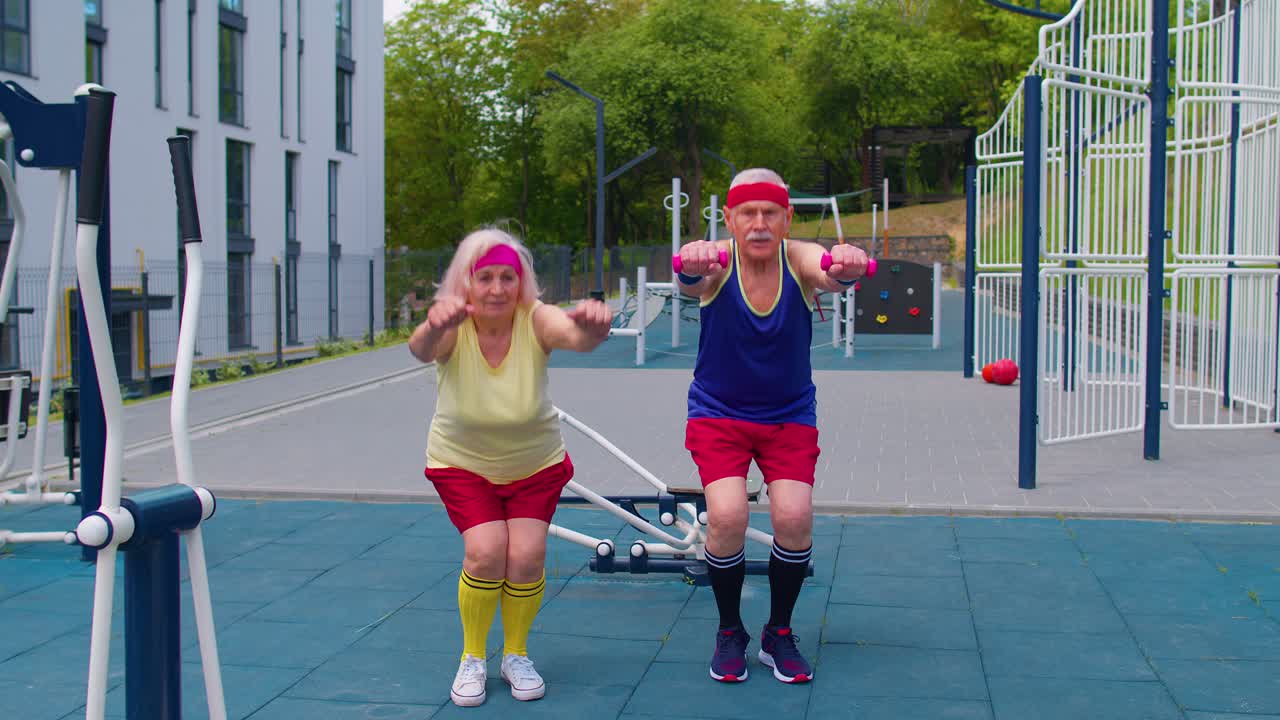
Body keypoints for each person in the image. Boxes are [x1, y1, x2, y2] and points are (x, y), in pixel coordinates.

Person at [674, 169, 869, 684]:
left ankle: (777, 633)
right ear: (730, 219)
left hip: (787, 415)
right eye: (747, 214)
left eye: (770, 214)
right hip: (719, 414)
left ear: (786, 219)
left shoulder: (798, 257)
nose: (758, 224)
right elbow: (689, 279)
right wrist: (689, 265)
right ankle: (730, 630)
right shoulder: (716, 259)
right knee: (727, 516)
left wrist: (846, 267)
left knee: (794, 515)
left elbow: (830, 274)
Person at [409, 228, 613, 707]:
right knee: (486, 551)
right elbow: (420, 349)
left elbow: (575, 338)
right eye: (485, 278)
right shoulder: (452, 324)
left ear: (521, 283)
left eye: (508, 277)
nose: (498, 289)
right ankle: (472, 657)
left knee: (525, 557)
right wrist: (434, 324)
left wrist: (593, 328)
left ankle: (515, 654)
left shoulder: (534, 318)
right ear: (467, 282)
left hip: (533, 464)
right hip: (463, 463)